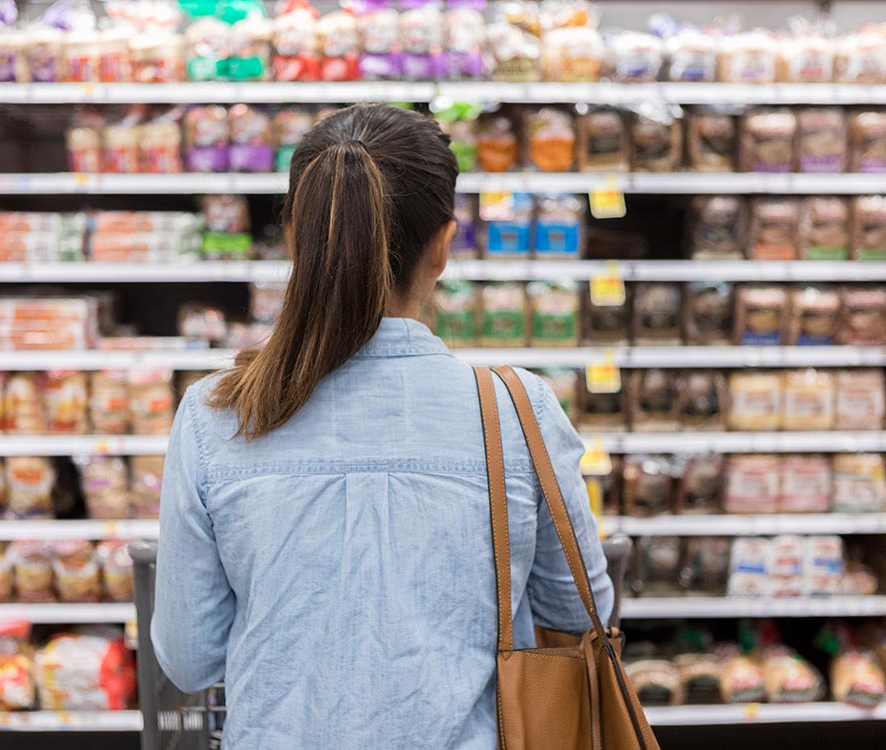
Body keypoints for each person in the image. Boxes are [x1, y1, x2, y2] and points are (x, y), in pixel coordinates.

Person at [152, 103, 613, 749]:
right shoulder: (518, 409)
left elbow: (189, 657)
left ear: (296, 241)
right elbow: (579, 609)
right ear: (445, 246)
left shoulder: (215, 415)